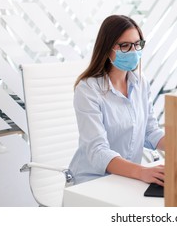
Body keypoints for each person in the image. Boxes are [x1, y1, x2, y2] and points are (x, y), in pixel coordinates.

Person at [69, 15, 165, 186]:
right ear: (107, 49)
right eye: (125, 46)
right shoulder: (88, 89)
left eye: (137, 44)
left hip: (127, 179)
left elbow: (150, 132)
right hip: (92, 180)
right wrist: (142, 172)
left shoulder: (140, 82)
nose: (134, 51)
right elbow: (98, 151)